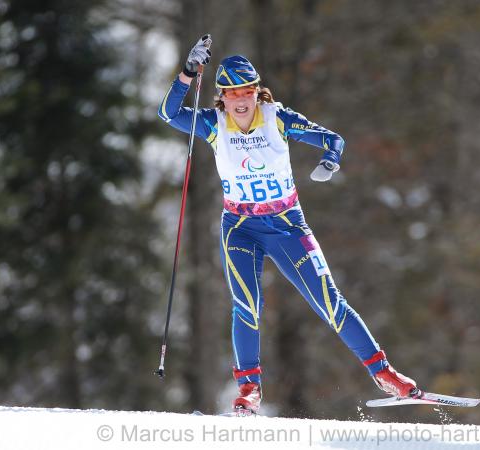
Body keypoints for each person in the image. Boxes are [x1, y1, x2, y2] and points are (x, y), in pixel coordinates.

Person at [158, 34, 419, 415]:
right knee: (245, 305)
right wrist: (187, 73)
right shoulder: (214, 125)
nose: (241, 99)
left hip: (286, 225)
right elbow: (168, 114)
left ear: (257, 92)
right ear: (222, 98)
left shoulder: (277, 119)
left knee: (330, 302)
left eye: (247, 90)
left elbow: (333, 139)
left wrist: (330, 161)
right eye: (232, 93)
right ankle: (249, 387)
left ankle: (384, 373)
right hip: (240, 227)